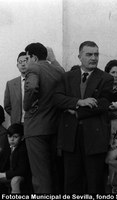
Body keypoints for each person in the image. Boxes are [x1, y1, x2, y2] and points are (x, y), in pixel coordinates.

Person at [54, 41, 113, 193]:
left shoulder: (105, 78)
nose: (94, 58)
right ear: (79, 56)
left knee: (94, 182)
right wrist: (79, 102)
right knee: (72, 181)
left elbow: (104, 103)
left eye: (96, 54)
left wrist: (77, 112)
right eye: (89, 54)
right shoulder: (67, 77)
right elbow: (57, 98)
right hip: (70, 137)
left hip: (94, 137)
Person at [23, 43, 65, 193]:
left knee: (40, 175)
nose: (26, 62)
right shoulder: (57, 70)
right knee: (53, 172)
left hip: (35, 128)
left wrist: (26, 105)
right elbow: (63, 73)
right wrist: (53, 59)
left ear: (33, 57)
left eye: (27, 57)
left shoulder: (34, 67)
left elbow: (32, 87)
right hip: (53, 127)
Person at [0, 123, 31, 193]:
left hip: (21, 176)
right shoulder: (7, 146)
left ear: (22, 138)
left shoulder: (23, 149)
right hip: (10, 173)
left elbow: (22, 170)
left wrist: (4, 174)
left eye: (15, 137)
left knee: (15, 181)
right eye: (9, 137)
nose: (11, 139)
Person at [4, 52, 28, 125]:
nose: (23, 64)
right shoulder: (10, 84)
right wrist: (16, 115)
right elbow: (7, 106)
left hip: (33, 124)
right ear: (17, 65)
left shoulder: (36, 81)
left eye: (25, 61)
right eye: (20, 62)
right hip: (17, 124)